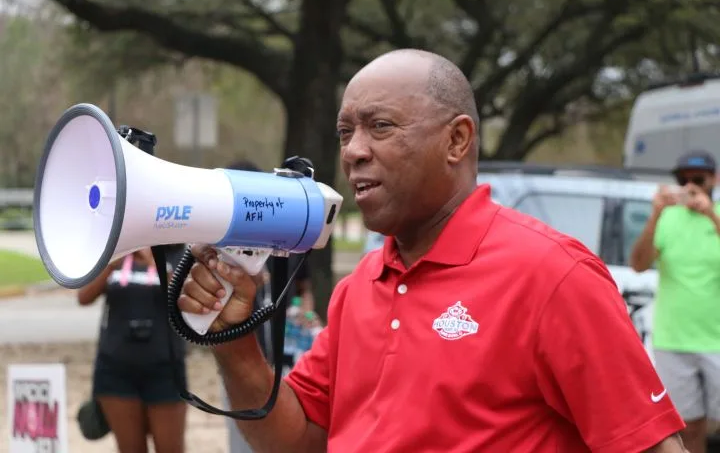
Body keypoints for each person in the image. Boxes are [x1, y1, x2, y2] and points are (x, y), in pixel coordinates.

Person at [178, 49, 689, 452]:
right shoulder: (360, 287)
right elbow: (300, 441)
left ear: (457, 140)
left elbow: (649, 446)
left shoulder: (553, 275)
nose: (354, 150)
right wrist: (234, 341)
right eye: (345, 132)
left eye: (380, 126)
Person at [222, 159, 320, 453]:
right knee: (244, 441)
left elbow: (304, 288)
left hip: (287, 363)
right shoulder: (225, 247)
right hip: (245, 367)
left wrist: (306, 312)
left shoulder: (289, 240)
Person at [630, 150, 720, 453]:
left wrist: (711, 215)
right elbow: (638, 264)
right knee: (688, 426)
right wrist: (655, 215)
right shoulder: (667, 217)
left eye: (698, 180)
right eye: (683, 179)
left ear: (714, 180)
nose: (690, 186)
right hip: (674, 339)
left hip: (717, 339)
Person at [77, 247, 188, 453]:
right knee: (130, 448)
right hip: (116, 368)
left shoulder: (176, 251)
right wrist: (112, 263)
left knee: (171, 448)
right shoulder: (116, 251)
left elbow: (186, 301)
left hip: (165, 369)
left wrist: (154, 262)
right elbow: (83, 297)